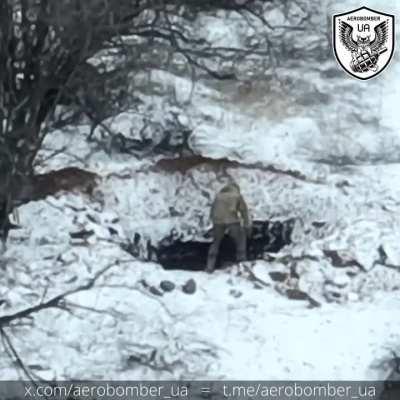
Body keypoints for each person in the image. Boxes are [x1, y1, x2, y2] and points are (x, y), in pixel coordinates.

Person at [206, 182, 251, 273]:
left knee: (216, 242)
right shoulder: (236, 195)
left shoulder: (218, 196)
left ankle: (209, 267)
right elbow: (244, 211)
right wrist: (247, 225)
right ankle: (242, 262)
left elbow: (212, 211)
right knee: (240, 238)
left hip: (217, 221)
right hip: (232, 220)